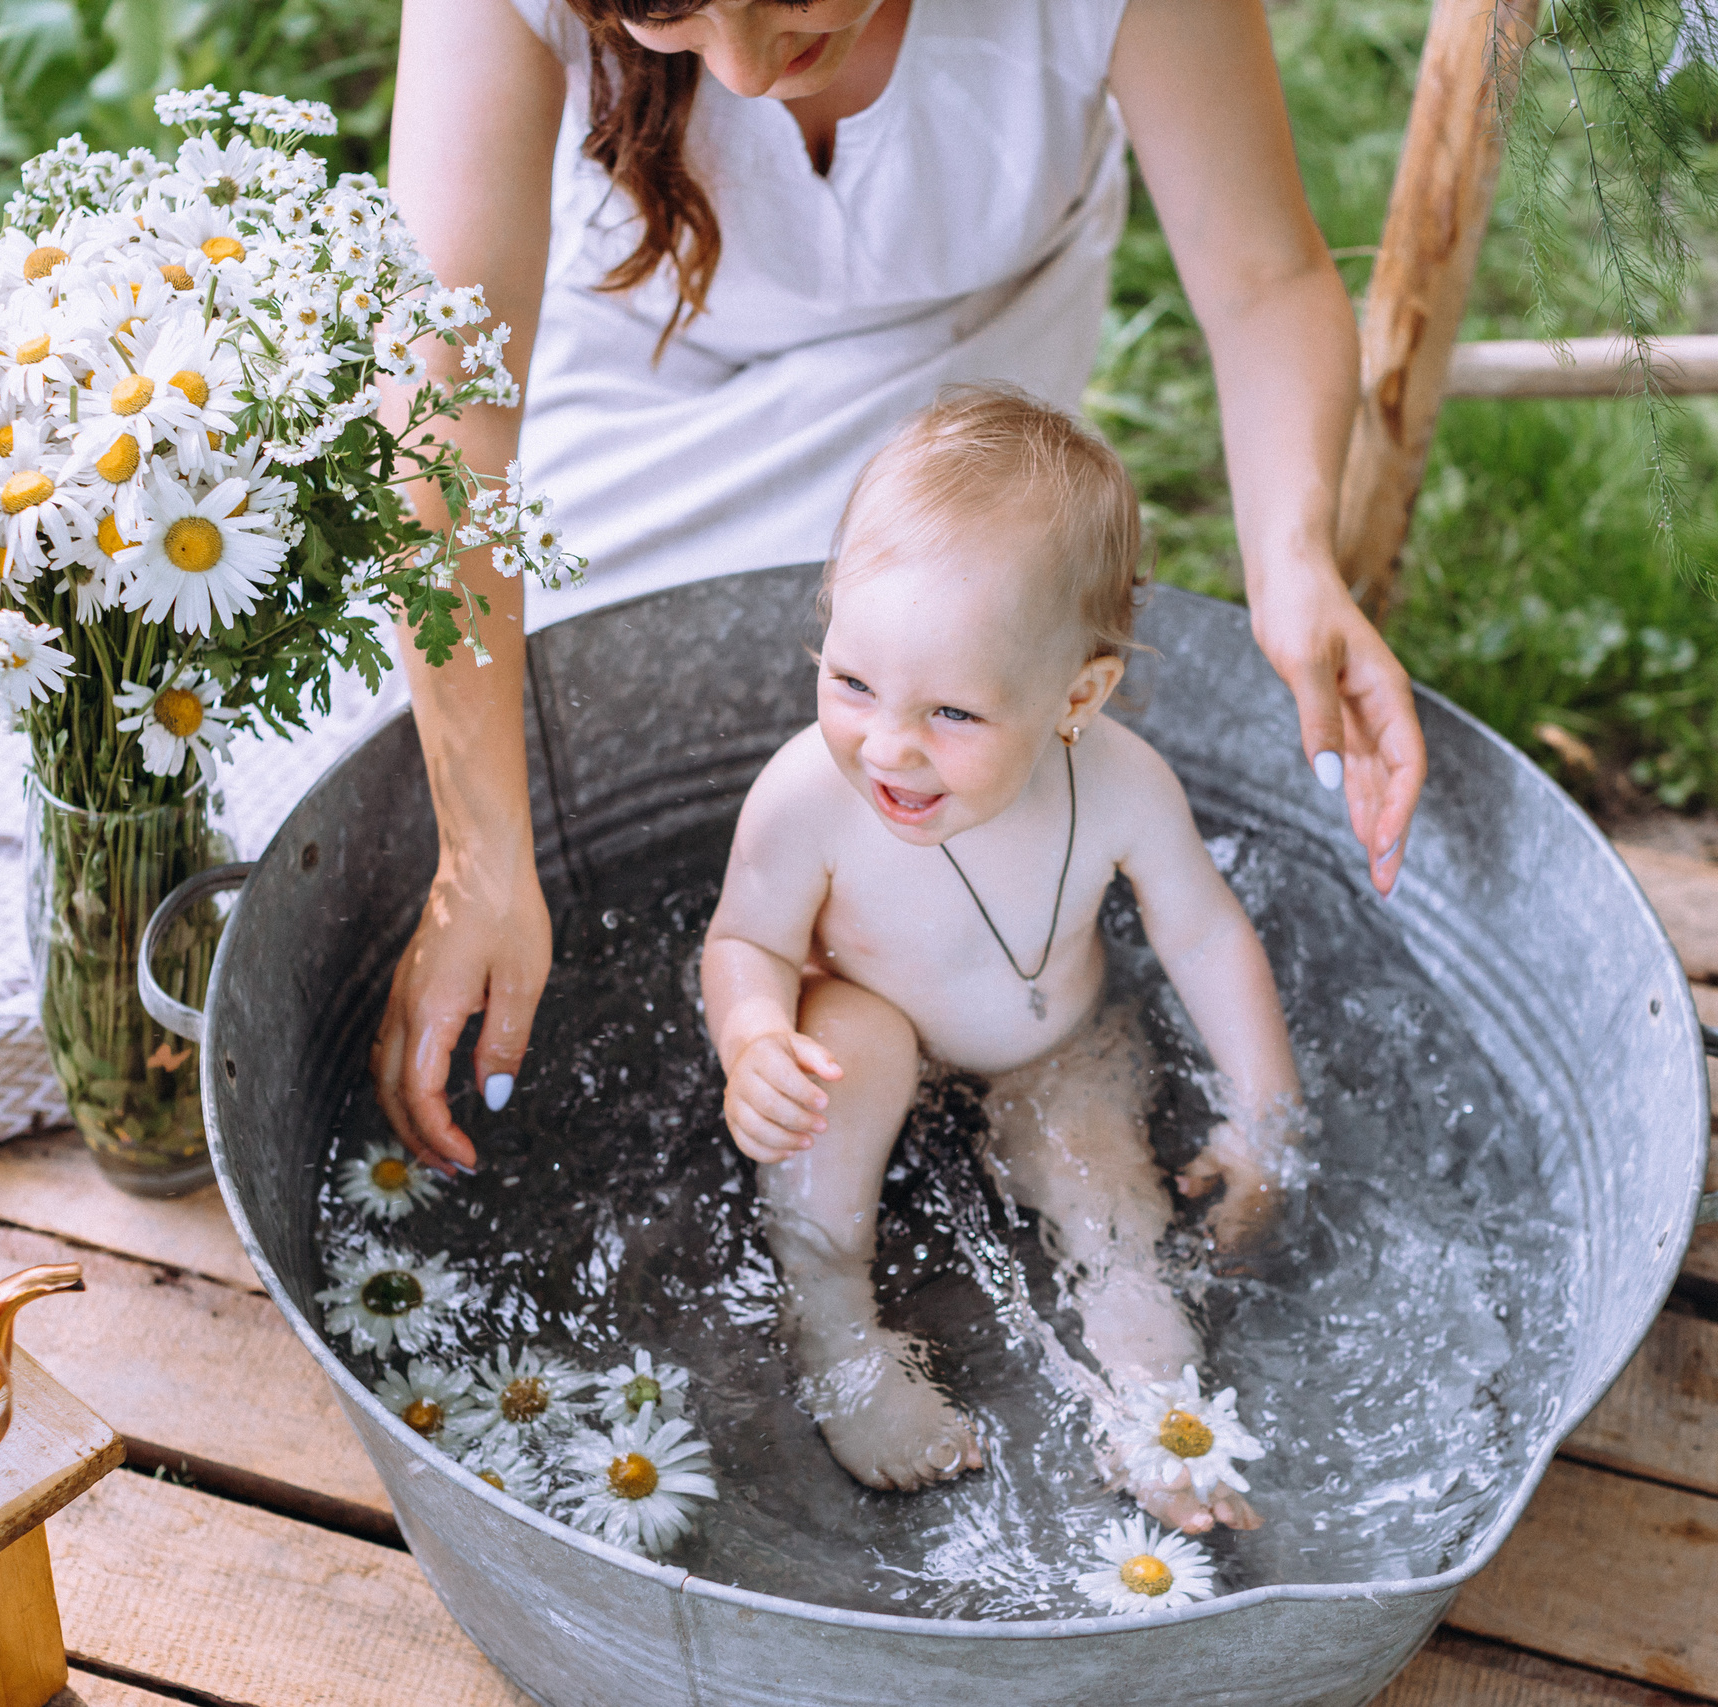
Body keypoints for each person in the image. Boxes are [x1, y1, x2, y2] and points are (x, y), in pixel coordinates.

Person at [374, 0, 1424, 1175]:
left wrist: (1293, 561)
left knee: (951, 634)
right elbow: (442, 427)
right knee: (372, 767)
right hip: (635, 385)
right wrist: (480, 855)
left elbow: (1266, 276)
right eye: (668, 17)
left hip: (947, 405)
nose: (745, 72)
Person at [701, 388, 1300, 1530]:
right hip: (867, 1030)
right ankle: (837, 1325)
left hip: (1050, 1044)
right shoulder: (808, 797)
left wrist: (1266, 1112)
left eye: (953, 715)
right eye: (851, 682)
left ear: (1079, 695)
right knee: (851, 1052)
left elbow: (1203, 929)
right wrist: (752, 1039)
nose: (888, 746)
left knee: (1110, 1201)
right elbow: (743, 939)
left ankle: (1159, 1410)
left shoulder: (1123, 785)